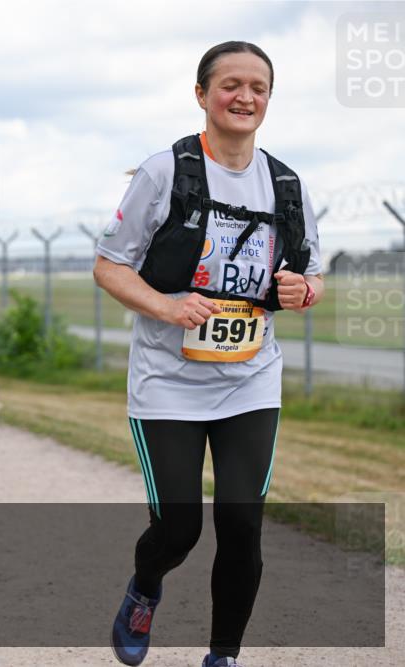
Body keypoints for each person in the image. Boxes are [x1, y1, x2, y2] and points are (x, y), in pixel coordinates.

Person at [95, 42, 323, 667]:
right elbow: (109, 266)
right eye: (230, 85)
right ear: (202, 94)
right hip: (168, 381)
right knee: (179, 528)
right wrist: (167, 307)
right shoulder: (164, 172)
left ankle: (223, 656)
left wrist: (304, 290)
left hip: (250, 378)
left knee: (243, 525)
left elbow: (311, 275)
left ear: (269, 99)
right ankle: (145, 589)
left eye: (259, 87)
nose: (245, 97)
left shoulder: (284, 183)